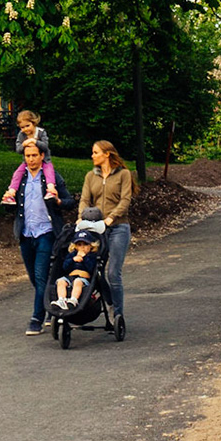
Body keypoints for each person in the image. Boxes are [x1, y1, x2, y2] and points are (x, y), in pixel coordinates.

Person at [1, 138, 60, 335]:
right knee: (35, 278)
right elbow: (15, 204)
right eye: (28, 156)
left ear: (42, 156)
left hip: (46, 231)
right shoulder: (20, 178)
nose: (31, 159)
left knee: (41, 276)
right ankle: (51, 305)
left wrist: (58, 201)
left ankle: (37, 318)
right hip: (26, 232)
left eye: (35, 155)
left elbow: (68, 200)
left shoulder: (51, 176)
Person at [79, 139, 134, 329]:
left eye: (95, 152)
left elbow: (125, 200)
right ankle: (108, 305)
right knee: (95, 271)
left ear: (107, 154)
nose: (92, 156)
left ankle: (118, 314)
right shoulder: (90, 176)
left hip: (118, 227)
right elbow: (85, 200)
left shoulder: (123, 175)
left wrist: (110, 219)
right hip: (96, 228)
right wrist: (81, 219)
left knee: (113, 273)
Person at [52, 221, 104, 311]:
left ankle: (74, 300)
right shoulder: (72, 255)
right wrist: (73, 260)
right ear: (75, 246)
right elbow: (65, 267)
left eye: (85, 244)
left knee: (78, 282)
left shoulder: (92, 256)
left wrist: (85, 258)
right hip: (70, 276)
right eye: (79, 245)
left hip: (84, 278)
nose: (82, 247)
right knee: (60, 282)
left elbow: (91, 268)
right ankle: (61, 300)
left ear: (91, 246)